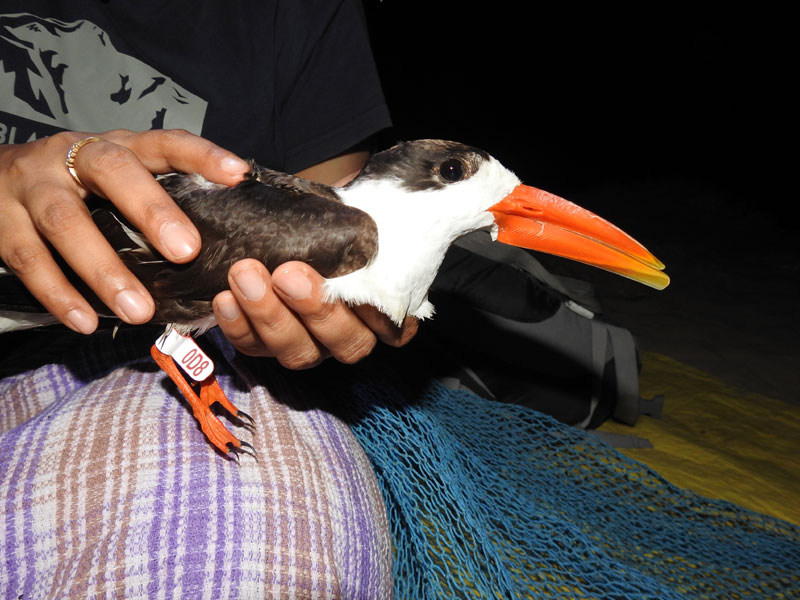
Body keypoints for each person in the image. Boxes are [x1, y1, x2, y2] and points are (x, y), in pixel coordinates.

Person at [0, 3, 404, 597]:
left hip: (174, 347)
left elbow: (335, 220)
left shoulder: (303, 15)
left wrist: (353, 309)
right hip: (36, 324)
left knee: (263, 534)